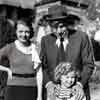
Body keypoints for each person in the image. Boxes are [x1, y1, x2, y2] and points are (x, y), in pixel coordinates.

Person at [40, 5, 94, 100]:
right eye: (54, 27)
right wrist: (48, 84)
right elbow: (42, 66)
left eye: (61, 26)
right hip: (54, 94)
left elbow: (88, 64)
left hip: (77, 93)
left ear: (67, 23)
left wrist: (79, 84)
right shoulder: (45, 40)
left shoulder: (81, 37)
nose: (58, 31)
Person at [0, 18, 42, 100]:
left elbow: (39, 73)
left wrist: (39, 95)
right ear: (16, 32)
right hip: (13, 89)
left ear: (31, 32)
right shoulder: (10, 48)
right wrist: (7, 69)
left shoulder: (36, 48)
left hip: (32, 88)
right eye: (20, 31)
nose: (24, 35)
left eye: (27, 32)